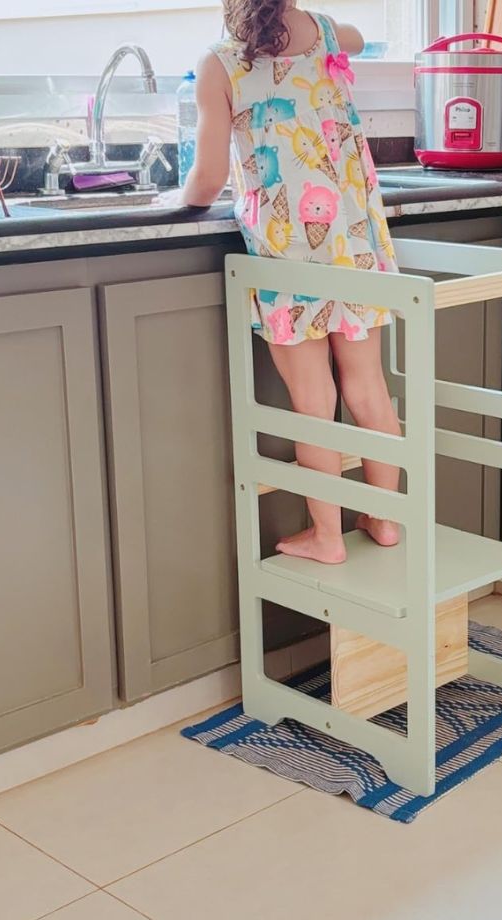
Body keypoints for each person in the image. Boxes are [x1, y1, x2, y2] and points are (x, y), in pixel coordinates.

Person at [173, 1, 403, 565]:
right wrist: (325, 27)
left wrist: (176, 200)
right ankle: (384, 518)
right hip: (352, 240)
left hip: (287, 253)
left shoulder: (220, 64)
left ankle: (327, 536)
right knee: (368, 387)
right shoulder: (326, 33)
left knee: (313, 399)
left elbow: (207, 179)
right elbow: (353, 34)